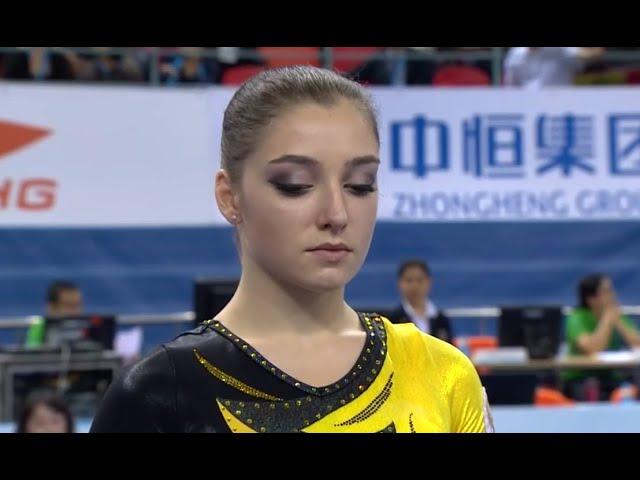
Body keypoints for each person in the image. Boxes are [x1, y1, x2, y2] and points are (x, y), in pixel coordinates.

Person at [90, 66, 492, 433]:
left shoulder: (441, 373)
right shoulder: (158, 393)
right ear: (230, 197)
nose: (336, 213)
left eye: (360, 185)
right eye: (295, 185)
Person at [562, 273, 640, 401]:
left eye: (611, 290)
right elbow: (592, 348)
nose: (612, 295)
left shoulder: (615, 314)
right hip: (581, 379)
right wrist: (607, 319)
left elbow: (637, 343)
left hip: (611, 378)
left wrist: (618, 322)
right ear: (591, 298)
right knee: (591, 387)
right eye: (606, 291)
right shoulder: (577, 317)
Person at [388, 260, 453, 344]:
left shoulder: (441, 320)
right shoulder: (393, 320)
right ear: (399, 283)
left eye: (419, 280)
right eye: (409, 280)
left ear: (429, 282)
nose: (414, 286)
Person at [503, 47, 604, 88]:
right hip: (528, 106)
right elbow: (511, 86)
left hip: (562, 103)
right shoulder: (515, 54)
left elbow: (593, 53)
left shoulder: (559, 49)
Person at [25, 280, 84, 348]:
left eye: (78, 305)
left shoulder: (89, 329)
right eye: (69, 305)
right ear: (51, 308)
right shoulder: (39, 329)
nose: (76, 311)